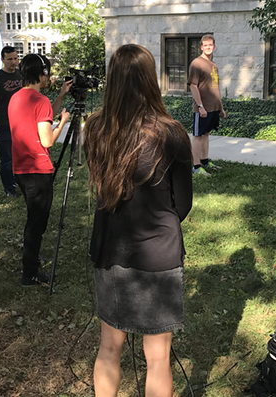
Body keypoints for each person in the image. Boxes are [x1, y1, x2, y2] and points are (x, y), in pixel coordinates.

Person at [84, 44, 193, 397]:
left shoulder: (95, 128)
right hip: (157, 252)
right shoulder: (171, 133)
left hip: (111, 249)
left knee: (109, 346)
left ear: (112, 80)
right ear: (150, 80)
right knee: (158, 357)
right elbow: (183, 203)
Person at [8, 54, 70, 286]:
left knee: (33, 219)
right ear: (41, 73)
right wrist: (63, 122)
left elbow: (41, 117)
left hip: (21, 169)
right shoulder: (40, 99)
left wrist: (61, 95)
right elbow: (47, 141)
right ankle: (30, 273)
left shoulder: (17, 98)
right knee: (36, 223)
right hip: (38, 169)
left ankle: (31, 259)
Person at [188, 34, 226, 176]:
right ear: (201, 47)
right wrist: (200, 106)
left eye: (210, 45)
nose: (208, 47)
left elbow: (215, 88)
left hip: (214, 107)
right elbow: (193, 86)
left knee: (206, 134)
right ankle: (196, 167)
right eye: (205, 45)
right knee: (198, 135)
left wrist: (221, 107)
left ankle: (205, 161)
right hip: (202, 108)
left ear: (214, 46)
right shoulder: (196, 63)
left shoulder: (214, 65)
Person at [0, 47, 23, 196]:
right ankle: (8, 188)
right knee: (7, 157)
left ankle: (18, 180)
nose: (13, 62)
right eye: (10, 59)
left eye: (15, 58)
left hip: (22, 122)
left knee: (20, 154)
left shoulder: (21, 75)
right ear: (2, 60)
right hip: (4, 123)